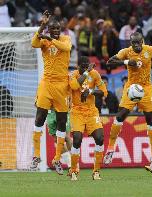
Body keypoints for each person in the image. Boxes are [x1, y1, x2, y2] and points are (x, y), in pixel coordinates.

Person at [103, 32, 152, 165]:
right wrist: (127, 61)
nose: (136, 45)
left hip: (146, 89)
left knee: (151, 121)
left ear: (143, 41)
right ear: (130, 43)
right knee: (119, 117)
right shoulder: (126, 52)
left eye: (138, 42)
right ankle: (110, 150)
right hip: (131, 88)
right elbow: (109, 61)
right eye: (133, 43)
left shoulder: (150, 50)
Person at [30, 11, 71, 175]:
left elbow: (66, 47)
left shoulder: (65, 39)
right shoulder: (44, 42)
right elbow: (34, 43)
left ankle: (57, 158)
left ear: (60, 29)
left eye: (57, 28)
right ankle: (36, 156)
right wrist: (42, 26)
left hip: (62, 86)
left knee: (62, 122)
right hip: (47, 84)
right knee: (40, 117)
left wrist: (50, 38)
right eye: (52, 28)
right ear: (49, 28)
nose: (55, 30)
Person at [68, 56, 107, 180]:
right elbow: (74, 87)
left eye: (87, 67)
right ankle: (74, 171)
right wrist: (86, 72)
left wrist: (91, 91)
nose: (85, 69)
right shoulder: (72, 75)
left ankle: (96, 172)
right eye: (83, 67)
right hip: (77, 112)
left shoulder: (94, 74)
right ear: (78, 66)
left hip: (91, 111)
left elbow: (104, 92)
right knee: (77, 139)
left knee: (100, 138)